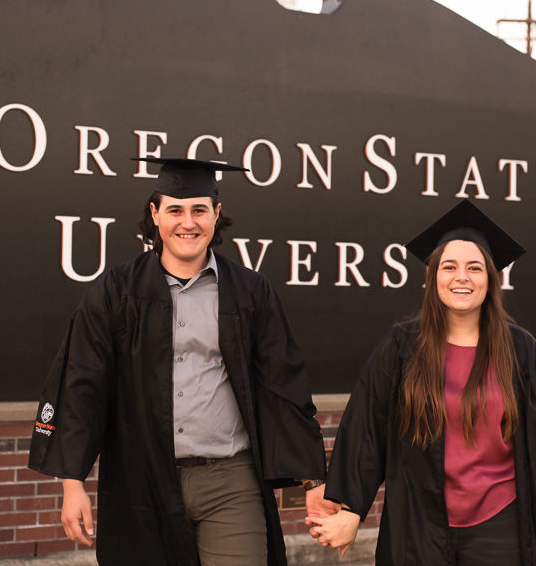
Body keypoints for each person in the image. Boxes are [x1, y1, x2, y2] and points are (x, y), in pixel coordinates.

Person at [28, 157, 335, 565]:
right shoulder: (116, 292)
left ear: (216, 214)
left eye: (199, 210)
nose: (187, 222)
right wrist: (72, 485)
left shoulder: (250, 291)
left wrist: (313, 479)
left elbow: (284, 385)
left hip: (229, 479)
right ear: (155, 214)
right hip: (142, 482)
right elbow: (83, 385)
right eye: (174, 209)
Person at [307, 200, 536, 566]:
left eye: (474, 268)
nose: (462, 277)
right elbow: (366, 431)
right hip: (419, 521)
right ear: (432, 277)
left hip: (501, 527)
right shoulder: (402, 347)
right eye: (449, 266)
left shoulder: (522, 352)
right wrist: (351, 511)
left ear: (491, 278)